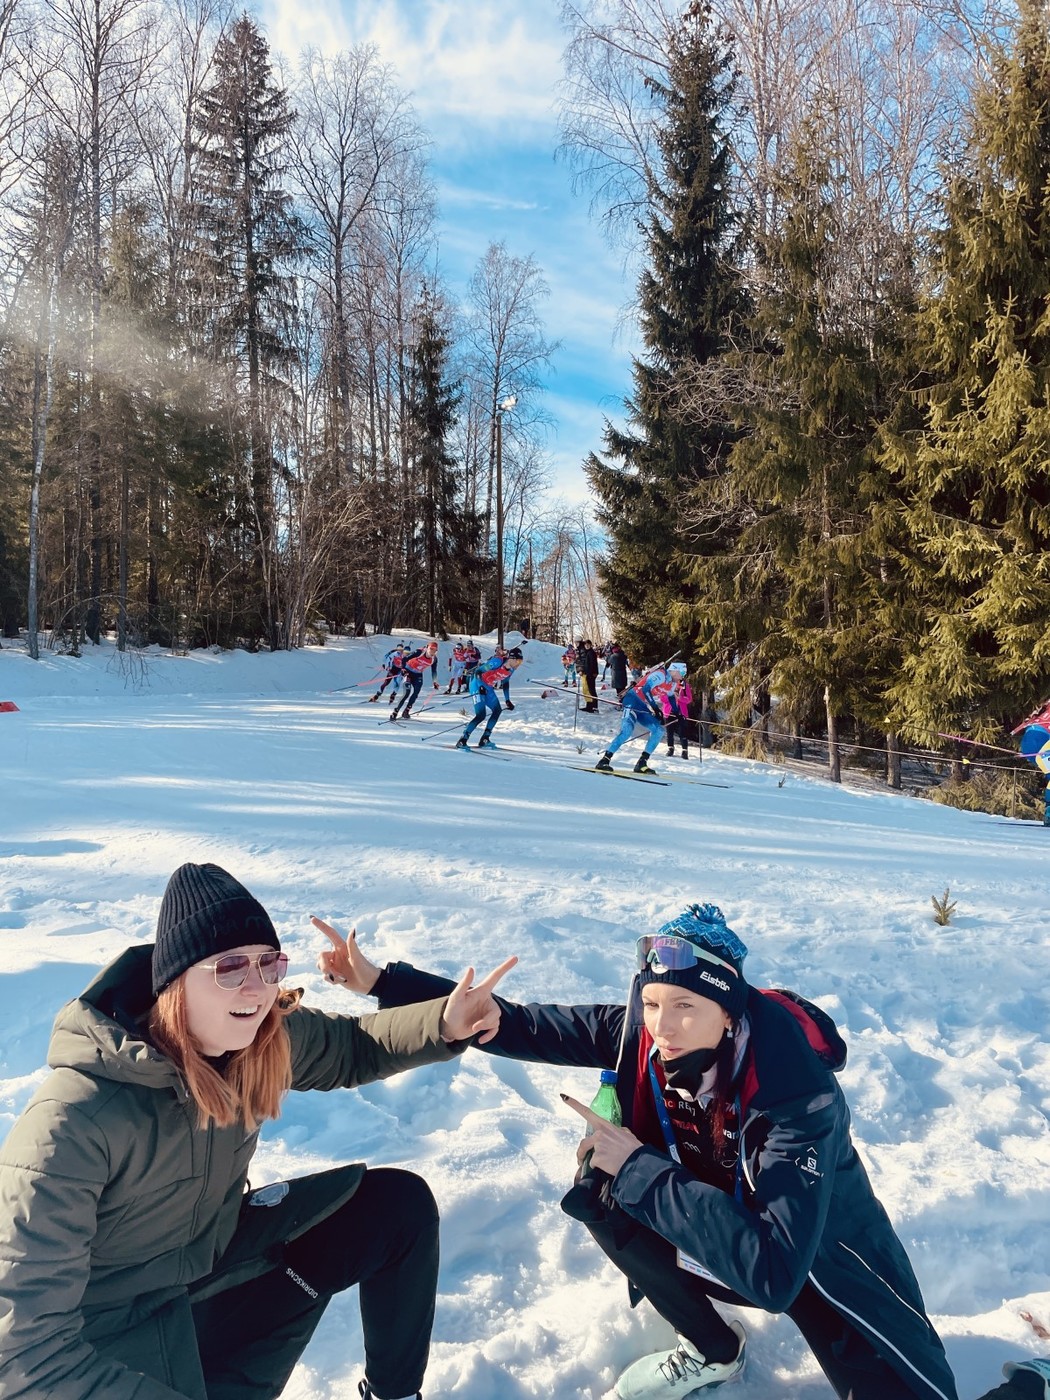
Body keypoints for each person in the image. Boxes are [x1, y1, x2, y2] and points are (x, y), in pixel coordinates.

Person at [325, 905, 960, 1400]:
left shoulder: (796, 1098)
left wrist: (638, 1168)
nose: (664, 1024)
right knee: (599, 1191)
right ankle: (715, 1349)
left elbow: (774, 1275)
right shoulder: (636, 1035)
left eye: (687, 1006)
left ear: (730, 1012)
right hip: (722, 1234)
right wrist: (381, 981)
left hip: (820, 1269)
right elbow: (511, 1022)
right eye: (653, 1003)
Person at [0, 862, 515, 1400]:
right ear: (174, 983)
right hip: (109, 1337)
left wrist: (443, 1023)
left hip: (211, 1265)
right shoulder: (74, 1121)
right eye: (229, 967)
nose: (257, 986)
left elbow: (354, 1046)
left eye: (269, 964)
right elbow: (27, 1356)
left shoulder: (254, 1043)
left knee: (395, 1207)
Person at [596, 665, 679, 776]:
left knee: (658, 730)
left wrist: (678, 713)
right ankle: (604, 760)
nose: (682, 677)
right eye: (682, 673)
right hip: (632, 699)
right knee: (627, 730)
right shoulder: (661, 675)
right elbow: (646, 689)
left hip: (642, 705)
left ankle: (642, 763)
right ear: (675, 670)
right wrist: (655, 708)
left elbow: (671, 697)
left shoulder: (672, 683)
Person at [455, 646, 524, 749]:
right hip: (476, 684)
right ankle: (463, 740)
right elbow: (478, 672)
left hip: (488, 687)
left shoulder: (511, 670)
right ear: (512, 659)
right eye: (518, 662)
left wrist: (507, 700)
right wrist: (481, 686)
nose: (519, 664)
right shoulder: (497, 662)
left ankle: (485, 738)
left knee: (497, 710)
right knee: (481, 715)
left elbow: (505, 683)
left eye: (520, 662)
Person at [390, 642, 440, 721]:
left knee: (416, 692)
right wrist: (403, 669)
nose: (432, 652)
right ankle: (395, 712)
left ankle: (406, 711)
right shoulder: (419, 652)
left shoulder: (434, 659)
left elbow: (434, 671)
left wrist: (435, 682)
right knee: (407, 692)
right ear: (427, 648)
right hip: (408, 671)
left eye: (435, 650)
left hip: (418, 674)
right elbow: (404, 659)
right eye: (431, 649)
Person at [662, 662, 693, 760]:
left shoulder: (684, 685)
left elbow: (689, 699)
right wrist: (670, 697)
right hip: (669, 711)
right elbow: (662, 698)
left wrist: (679, 698)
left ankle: (685, 750)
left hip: (681, 712)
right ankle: (670, 748)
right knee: (669, 732)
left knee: (683, 732)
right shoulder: (667, 684)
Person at [579, 640, 600, 713]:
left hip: (591, 674)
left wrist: (593, 673)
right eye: (585, 645)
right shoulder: (588, 652)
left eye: (588, 645)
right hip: (588, 673)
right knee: (588, 690)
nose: (586, 646)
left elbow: (593, 664)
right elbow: (586, 665)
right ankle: (589, 706)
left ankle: (594, 707)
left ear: (591, 645)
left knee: (592, 691)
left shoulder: (591, 653)